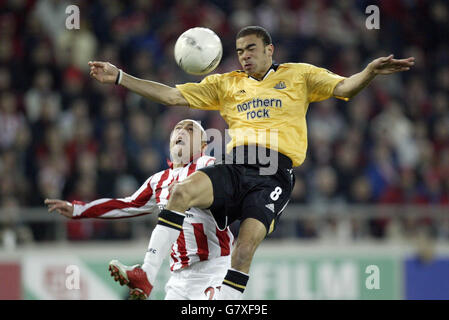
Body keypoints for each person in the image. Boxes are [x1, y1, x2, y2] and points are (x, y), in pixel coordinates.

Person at [87, 25, 415, 299]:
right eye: (240, 50)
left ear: (270, 50)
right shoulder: (227, 84)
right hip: (236, 166)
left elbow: (345, 87)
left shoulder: (299, 75)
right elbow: (172, 95)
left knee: (243, 251)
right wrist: (120, 77)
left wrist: (370, 72)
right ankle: (146, 274)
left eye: (251, 49)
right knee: (181, 193)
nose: (244, 55)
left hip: (273, 175)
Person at [45, 119, 234, 300]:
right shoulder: (158, 180)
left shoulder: (209, 166)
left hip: (215, 269)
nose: (182, 131)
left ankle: (146, 273)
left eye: (190, 130)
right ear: (169, 143)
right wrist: (80, 210)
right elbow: (126, 205)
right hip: (179, 278)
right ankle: (145, 274)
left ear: (202, 146)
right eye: (177, 129)